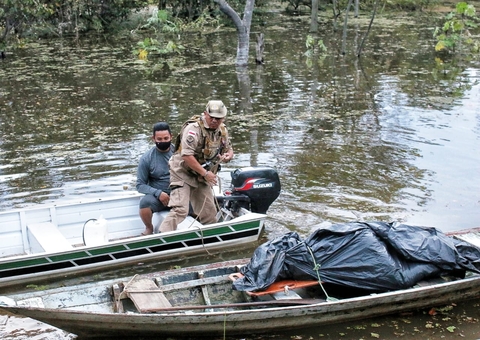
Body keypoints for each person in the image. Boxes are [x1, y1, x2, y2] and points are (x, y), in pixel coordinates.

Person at [159, 100, 234, 233]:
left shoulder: (222, 131)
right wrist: (206, 174)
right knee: (180, 209)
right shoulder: (193, 129)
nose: (215, 121)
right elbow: (186, 156)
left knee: (209, 212)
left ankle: (210, 240)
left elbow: (228, 149)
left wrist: (228, 155)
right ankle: (162, 238)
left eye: (219, 118)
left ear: (224, 117)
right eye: (212, 117)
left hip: (201, 175)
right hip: (182, 172)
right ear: (205, 114)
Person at [136, 122, 174, 235]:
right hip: (159, 198)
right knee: (145, 203)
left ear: (171, 137)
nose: (163, 141)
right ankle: (149, 228)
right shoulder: (146, 158)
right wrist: (158, 193)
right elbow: (140, 185)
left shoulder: (179, 152)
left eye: (166, 138)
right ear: (153, 139)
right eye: (159, 139)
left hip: (179, 193)